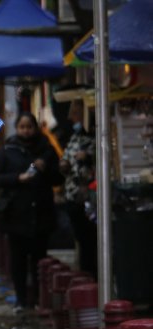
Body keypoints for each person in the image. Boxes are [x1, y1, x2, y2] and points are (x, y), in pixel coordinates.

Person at [0, 112, 63, 311]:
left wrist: (45, 169)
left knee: (39, 260)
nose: (26, 131)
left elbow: (59, 178)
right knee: (18, 261)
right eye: (22, 127)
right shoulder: (8, 149)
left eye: (29, 127)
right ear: (17, 128)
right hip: (16, 216)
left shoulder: (46, 150)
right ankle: (22, 300)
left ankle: (40, 299)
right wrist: (17, 178)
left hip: (41, 214)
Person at [59, 100, 96, 276]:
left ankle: (93, 277)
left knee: (91, 242)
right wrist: (64, 165)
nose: (70, 117)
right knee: (82, 241)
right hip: (73, 197)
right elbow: (65, 162)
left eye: (74, 113)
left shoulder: (94, 138)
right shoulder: (74, 138)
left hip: (90, 200)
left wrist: (87, 158)